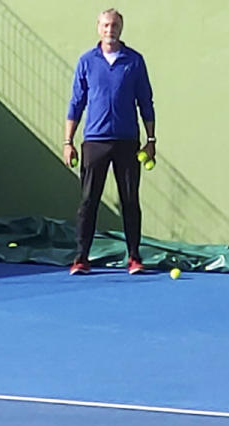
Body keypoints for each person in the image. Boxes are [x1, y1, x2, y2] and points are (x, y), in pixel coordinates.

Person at [64, 8, 156, 275]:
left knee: (130, 200)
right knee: (88, 201)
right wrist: (67, 141)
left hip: (128, 142)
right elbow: (76, 102)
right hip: (94, 142)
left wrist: (150, 140)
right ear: (98, 28)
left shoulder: (135, 61)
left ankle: (134, 258)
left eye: (114, 25)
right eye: (105, 25)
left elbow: (146, 103)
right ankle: (81, 258)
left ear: (121, 28)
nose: (110, 29)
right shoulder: (86, 61)